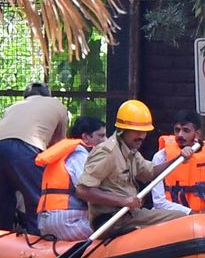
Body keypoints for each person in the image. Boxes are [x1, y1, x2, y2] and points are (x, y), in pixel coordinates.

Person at [76, 99, 195, 233]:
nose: (141, 136)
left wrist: (179, 159)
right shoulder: (107, 152)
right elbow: (83, 190)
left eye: (144, 131)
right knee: (180, 218)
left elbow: (151, 173)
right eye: (136, 131)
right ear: (122, 130)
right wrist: (123, 201)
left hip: (130, 215)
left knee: (183, 217)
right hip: (111, 219)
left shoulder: (131, 151)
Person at [0, 84, 69, 232]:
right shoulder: (57, 105)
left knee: (3, 200)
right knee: (37, 198)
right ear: (48, 95)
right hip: (25, 146)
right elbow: (59, 145)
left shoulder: (14, 107)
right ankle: (37, 240)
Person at [34, 116, 107, 239]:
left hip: (45, 221)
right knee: (112, 232)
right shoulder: (79, 155)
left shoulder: (64, 155)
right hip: (67, 222)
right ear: (86, 137)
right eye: (101, 136)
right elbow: (87, 189)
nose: (106, 140)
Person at [151, 110, 205, 214]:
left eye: (186, 130)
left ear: (197, 133)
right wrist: (191, 213)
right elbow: (158, 202)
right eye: (177, 130)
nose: (180, 135)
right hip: (171, 217)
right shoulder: (161, 157)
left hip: (204, 217)